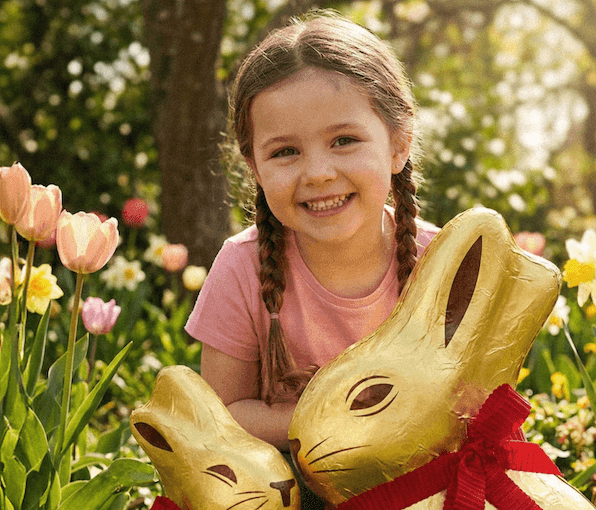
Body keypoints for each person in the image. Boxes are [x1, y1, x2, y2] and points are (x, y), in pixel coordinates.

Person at [187, 14, 437, 450]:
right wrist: (341, 425)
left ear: (398, 143)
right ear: (255, 170)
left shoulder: (440, 259)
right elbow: (221, 414)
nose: (319, 174)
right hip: (293, 488)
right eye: (286, 152)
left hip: (420, 476)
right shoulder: (243, 268)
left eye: (344, 140)